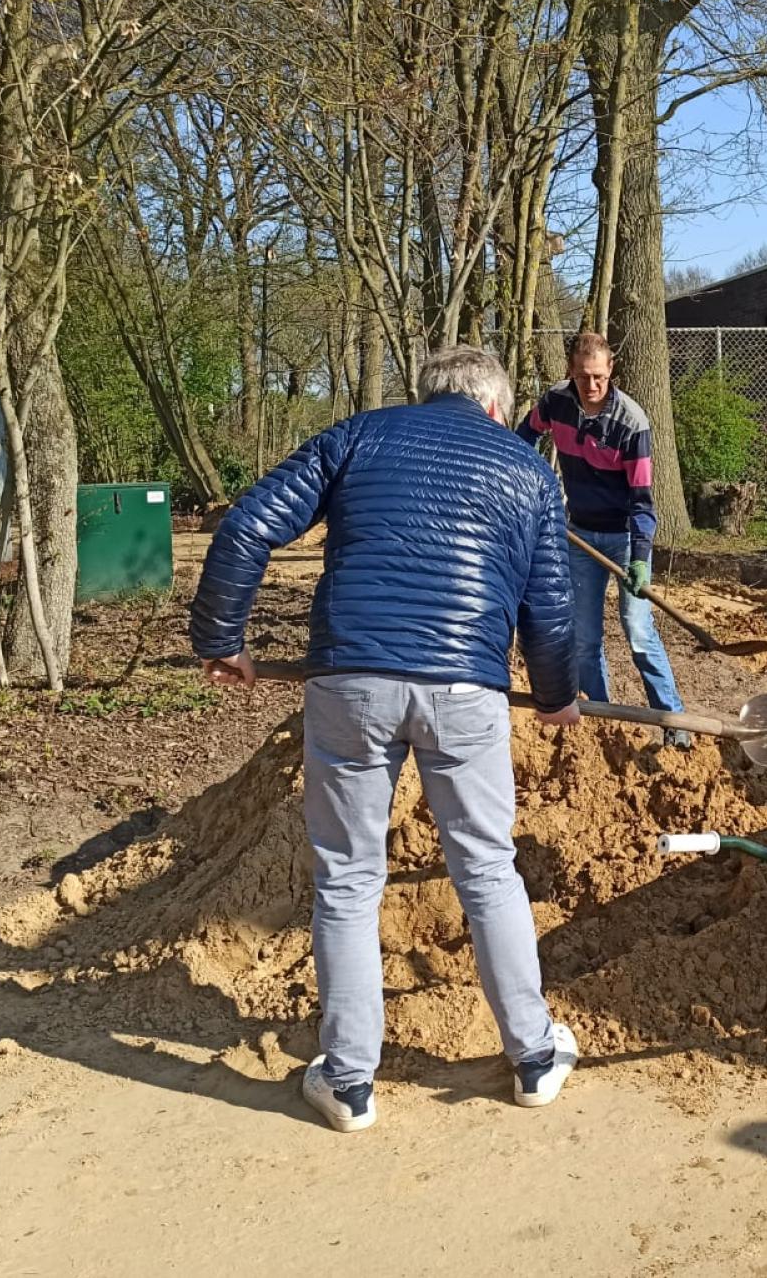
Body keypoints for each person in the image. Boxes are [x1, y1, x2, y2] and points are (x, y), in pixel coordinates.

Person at [190, 346, 582, 1132]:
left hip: (352, 684)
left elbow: (247, 524)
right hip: (465, 691)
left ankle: (348, 1083)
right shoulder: (528, 470)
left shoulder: (358, 436)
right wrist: (555, 695)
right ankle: (535, 1058)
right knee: (487, 868)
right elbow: (550, 603)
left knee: (346, 879)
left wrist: (220, 639)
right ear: (496, 407)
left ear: (426, 394)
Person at [517, 331, 690, 748]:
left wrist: (641, 558)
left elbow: (643, 500)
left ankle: (674, 722)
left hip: (624, 538)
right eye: (582, 377)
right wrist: (522, 479)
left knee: (638, 630)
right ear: (571, 372)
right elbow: (523, 438)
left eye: (598, 376)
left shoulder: (632, 423)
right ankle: (602, 720)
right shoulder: (555, 402)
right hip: (580, 535)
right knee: (584, 639)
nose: (591, 385)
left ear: (611, 370)